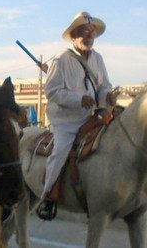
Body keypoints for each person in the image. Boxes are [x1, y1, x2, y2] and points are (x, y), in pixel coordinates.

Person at [37, 11, 117, 221]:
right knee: (61, 150)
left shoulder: (98, 59)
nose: (88, 35)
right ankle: (47, 197)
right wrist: (78, 99)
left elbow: (104, 85)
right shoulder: (61, 60)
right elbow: (52, 91)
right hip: (66, 122)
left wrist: (107, 96)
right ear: (74, 36)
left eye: (91, 32)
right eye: (83, 31)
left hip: (92, 117)